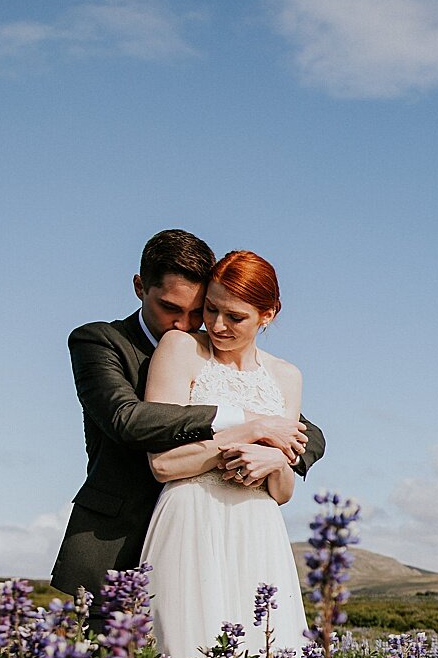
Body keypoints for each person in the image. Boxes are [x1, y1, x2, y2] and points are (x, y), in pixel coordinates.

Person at [51, 230, 325, 606]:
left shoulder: (217, 351)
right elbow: (125, 419)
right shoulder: (100, 341)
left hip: (226, 537)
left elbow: (308, 431)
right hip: (118, 539)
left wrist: (283, 454)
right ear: (139, 287)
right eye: (170, 308)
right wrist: (243, 421)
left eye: (198, 310)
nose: (188, 324)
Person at [138, 250, 310, 658]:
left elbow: (283, 493)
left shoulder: (286, 376)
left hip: (258, 528)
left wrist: (276, 463)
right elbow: (162, 464)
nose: (217, 325)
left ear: (267, 314)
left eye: (235, 317)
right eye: (211, 309)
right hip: (191, 519)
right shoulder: (180, 348)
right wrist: (249, 432)